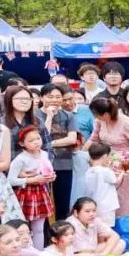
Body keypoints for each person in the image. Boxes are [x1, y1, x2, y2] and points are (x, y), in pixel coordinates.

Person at [87, 97, 129, 218]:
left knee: (124, 197)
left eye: (96, 114)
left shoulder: (127, 123)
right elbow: (93, 139)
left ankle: (125, 223)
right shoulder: (99, 121)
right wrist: (82, 152)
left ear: (106, 114)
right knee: (104, 195)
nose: (95, 117)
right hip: (103, 162)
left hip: (123, 163)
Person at [7, 126, 56, 250]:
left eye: (38, 138)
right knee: (22, 228)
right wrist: (31, 180)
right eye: (31, 140)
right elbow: (10, 180)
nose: (36, 142)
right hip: (25, 194)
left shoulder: (44, 154)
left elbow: (47, 171)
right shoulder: (20, 159)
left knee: (39, 229)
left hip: (41, 192)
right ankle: (23, 253)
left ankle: (38, 254)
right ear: (22, 143)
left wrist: (50, 177)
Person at [37, 84, 78, 220]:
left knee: (63, 202)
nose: (54, 100)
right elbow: (41, 137)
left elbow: (72, 139)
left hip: (64, 163)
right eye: (50, 97)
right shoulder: (35, 115)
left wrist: (49, 144)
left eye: (58, 97)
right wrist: (49, 117)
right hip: (41, 165)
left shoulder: (68, 115)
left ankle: (62, 228)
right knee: (43, 202)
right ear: (41, 98)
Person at [84, 143, 123, 227]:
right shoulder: (106, 171)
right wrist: (123, 172)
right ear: (105, 156)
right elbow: (116, 181)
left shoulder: (89, 171)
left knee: (95, 227)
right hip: (107, 206)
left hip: (94, 205)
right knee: (107, 229)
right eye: (109, 156)